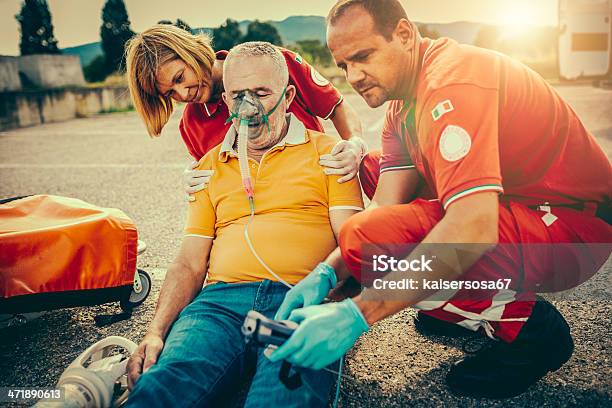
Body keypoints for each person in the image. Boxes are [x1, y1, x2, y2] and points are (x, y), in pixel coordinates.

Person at [270, 0, 612, 399]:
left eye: (363, 56)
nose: (354, 76)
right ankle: (467, 304)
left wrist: (358, 314)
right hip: (521, 205)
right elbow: (387, 205)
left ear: (403, 35)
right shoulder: (402, 102)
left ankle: (533, 332)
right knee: (373, 177)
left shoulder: (451, 82)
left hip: (576, 230)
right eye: (344, 65)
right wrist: (325, 274)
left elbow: (474, 225)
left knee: (373, 242)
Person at [125, 41, 364, 407]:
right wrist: (155, 332)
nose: (246, 107)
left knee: (281, 397)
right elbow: (189, 263)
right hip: (218, 305)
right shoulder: (208, 163)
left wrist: (326, 294)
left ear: (287, 98)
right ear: (226, 101)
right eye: (237, 96)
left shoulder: (331, 156)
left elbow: (352, 243)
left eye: (261, 93)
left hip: (301, 296)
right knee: (161, 389)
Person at [125, 24, 370, 197]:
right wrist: (194, 178)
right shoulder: (191, 125)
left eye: (180, 78)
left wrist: (355, 143)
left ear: (189, 50)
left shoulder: (274, 63)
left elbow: (336, 107)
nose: (183, 94)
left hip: (316, 194)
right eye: (169, 93)